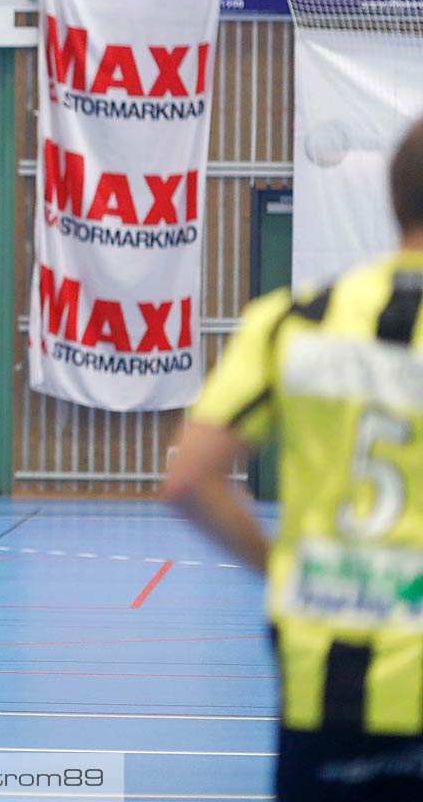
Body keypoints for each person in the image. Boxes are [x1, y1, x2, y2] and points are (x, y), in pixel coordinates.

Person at [163, 115, 423, 800]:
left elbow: (189, 479)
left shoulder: (294, 319)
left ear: (395, 202)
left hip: (329, 670)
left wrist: (286, 570)